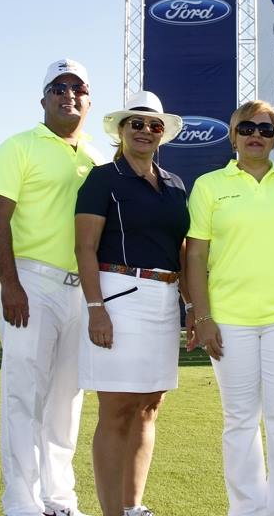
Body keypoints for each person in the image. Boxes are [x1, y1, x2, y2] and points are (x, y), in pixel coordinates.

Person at [185, 100, 274, 516]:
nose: (255, 136)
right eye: (247, 128)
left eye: (265, 130)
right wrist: (203, 317)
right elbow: (195, 257)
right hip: (229, 320)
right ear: (233, 136)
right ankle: (246, 509)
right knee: (240, 421)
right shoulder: (209, 186)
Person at [0, 58, 104, 516]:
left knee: (66, 402)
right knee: (23, 396)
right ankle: (21, 501)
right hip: (31, 283)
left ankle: (59, 499)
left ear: (89, 101)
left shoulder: (97, 156)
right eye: (59, 87)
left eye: (78, 87)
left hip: (81, 290)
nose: (68, 94)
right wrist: (10, 283)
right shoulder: (18, 146)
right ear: (44, 99)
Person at [75, 91, 191, 516]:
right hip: (118, 295)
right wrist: (95, 307)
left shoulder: (176, 185)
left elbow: (182, 251)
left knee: (149, 406)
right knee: (118, 409)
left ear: (163, 134)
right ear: (121, 131)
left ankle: (132, 505)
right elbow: (85, 247)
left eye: (154, 125)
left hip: (164, 299)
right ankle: (111, 512)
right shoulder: (103, 179)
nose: (145, 131)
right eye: (136, 124)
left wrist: (192, 307)